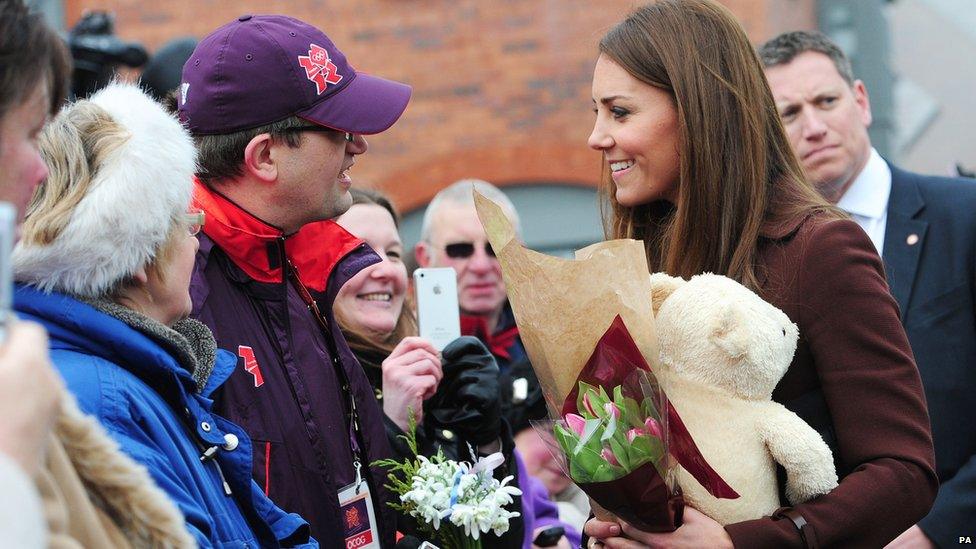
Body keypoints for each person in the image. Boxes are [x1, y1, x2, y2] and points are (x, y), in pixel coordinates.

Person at [582, 1, 936, 547]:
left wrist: (744, 542)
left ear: (698, 109)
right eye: (596, 113)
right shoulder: (636, 263)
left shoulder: (821, 249)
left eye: (620, 112)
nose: (597, 137)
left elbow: (904, 473)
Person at [13, 81, 316, 547]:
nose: (196, 242)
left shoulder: (132, 374)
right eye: (186, 224)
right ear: (136, 257)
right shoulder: (105, 403)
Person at [179, 14, 411, 545]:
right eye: (337, 130)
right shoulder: (177, 296)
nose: (359, 145)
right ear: (264, 157)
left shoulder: (299, 259)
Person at [759, 30, 976, 549]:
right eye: (789, 114)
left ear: (860, 100)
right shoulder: (762, 258)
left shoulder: (964, 217)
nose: (813, 127)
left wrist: (935, 530)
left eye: (826, 101)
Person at [335, 188, 579, 548]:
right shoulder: (310, 381)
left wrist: (488, 441)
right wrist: (394, 427)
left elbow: (499, 536)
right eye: (358, 251)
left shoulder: (544, 344)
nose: (384, 268)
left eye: (390, 252)